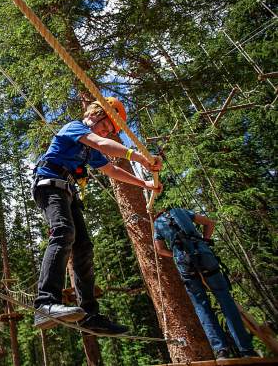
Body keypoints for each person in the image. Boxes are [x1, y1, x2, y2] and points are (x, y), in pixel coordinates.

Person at [32, 97, 162, 334]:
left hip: (67, 191)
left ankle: (89, 314)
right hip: (49, 184)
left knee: (83, 247)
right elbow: (101, 143)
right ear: (93, 115)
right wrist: (139, 157)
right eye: (104, 127)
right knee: (63, 232)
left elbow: (111, 169)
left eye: (109, 131)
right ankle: (44, 303)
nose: (105, 132)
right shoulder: (75, 128)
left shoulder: (89, 150)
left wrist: (143, 183)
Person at [153, 208, 257, 360]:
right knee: (225, 299)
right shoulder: (180, 212)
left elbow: (160, 250)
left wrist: (175, 254)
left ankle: (221, 350)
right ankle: (246, 350)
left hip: (184, 261)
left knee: (201, 305)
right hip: (203, 252)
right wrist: (205, 240)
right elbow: (209, 222)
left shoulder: (157, 224)